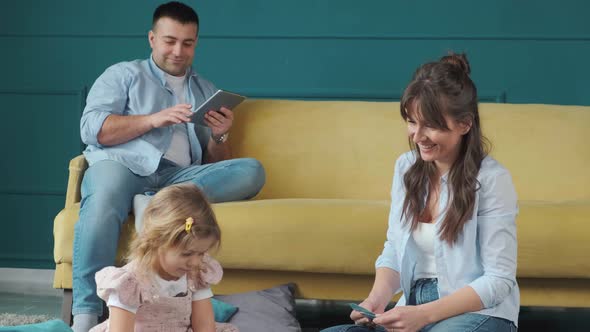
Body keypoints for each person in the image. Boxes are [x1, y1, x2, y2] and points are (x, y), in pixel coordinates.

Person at [72, 2, 265, 331]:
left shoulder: (204, 89)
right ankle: (86, 315)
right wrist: (152, 119)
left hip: (177, 180)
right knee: (105, 195)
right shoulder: (122, 75)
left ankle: (154, 201)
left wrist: (220, 136)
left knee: (251, 171)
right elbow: (92, 129)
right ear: (152, 38)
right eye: (169, 40)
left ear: (196, 43)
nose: (178, 50)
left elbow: (214, 162)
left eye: (187, 43)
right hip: (122, 166)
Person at [322, 53, 519, 332]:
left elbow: (499, 279)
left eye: (431, 125)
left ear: (464, 123)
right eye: (412, 122)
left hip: (478, 312)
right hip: (413, 305)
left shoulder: (492, 179)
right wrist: (378, 299)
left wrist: (424, 316)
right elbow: (394, 247)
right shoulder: (406, 167)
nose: (417, 136)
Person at [89, 183, 238, 332]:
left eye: (201, 253)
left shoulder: (196, 273)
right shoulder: (131, 283)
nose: (195, 262)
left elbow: (204, 326)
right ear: (156, 241)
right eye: (186, 254)